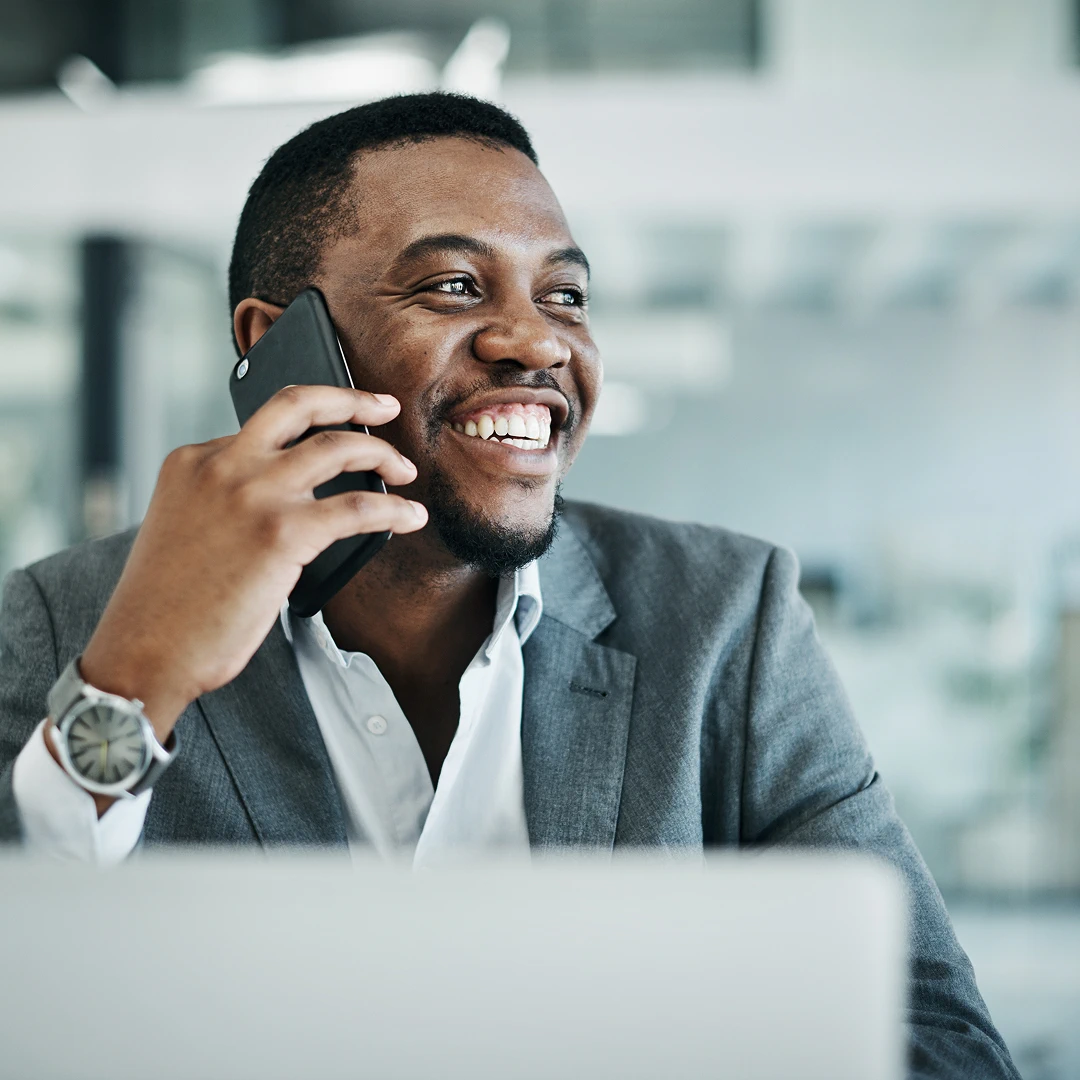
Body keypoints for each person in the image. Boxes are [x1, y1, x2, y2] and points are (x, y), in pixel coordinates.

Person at [0, 93, 1016, 1077]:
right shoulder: (63, 623)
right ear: (274, 344)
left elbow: (942, 1043)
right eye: (453, 286)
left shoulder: (725, 618)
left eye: (564, 296)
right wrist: (129, 688)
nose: (537, 342)